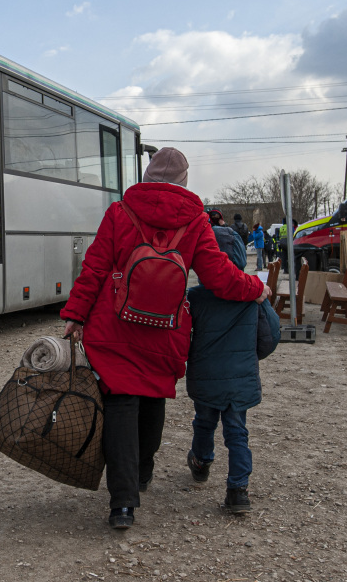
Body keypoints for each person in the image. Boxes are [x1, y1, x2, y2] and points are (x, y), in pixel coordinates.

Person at [61, 148, 270, 530]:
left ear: (148, 176)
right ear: (184, 180)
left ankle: (123, 503)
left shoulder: (119, 212)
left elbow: (94, 266)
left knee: (121, 401)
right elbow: (219, 277)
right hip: (164, 327)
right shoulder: (195, 221)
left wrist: (76, 314)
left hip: (115, 324)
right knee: (153, 394)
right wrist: (254, 286)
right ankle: (142, 472)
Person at [185, 225, 279, 514]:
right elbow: (271, 336)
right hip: (240, 378)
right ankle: (238, 490)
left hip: (206, 376)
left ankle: (201, 462)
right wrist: (249, 358)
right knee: (237, 432)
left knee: (204, 422)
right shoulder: (253, 294)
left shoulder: (195, 297)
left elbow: (182, 336)